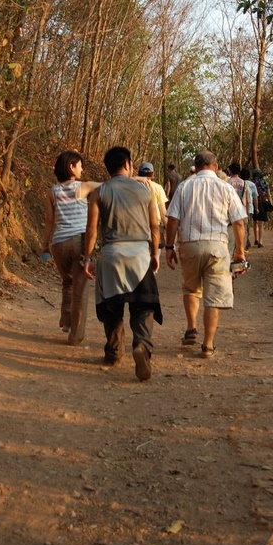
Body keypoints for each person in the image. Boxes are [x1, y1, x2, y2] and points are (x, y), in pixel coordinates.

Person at [82, 146, 161, 382]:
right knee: (143, 306)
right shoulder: (144, 191)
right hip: (139, 254)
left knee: (111, 307)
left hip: (111, 255)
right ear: (128, 164)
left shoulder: (99, 192)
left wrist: (87, 258)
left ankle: (114, 352)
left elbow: (91, 229)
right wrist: (155, 253)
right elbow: (155, 227)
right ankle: (142, 346)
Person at [165, 150, 247, 358]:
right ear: (216, 167)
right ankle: (208, 345)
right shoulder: (225, 188)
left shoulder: (184, 187)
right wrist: (240, 252)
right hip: (217, 247)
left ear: (196, 166)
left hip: (190, 245)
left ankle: (191, 328)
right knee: (214, 297)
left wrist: (168, 247)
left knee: (191, 288)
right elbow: (238, 222)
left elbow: (172, 219)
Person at [41, 151, 102, 345]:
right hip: (79, 241)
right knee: (80, 289)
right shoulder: (83, 187)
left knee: (67, 282)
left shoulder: (52, 192)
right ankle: (75, 335)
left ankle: (66, 320)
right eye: (80, 165)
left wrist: (44, 244)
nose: (82, 168)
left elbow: (49, 221)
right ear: (71, 167)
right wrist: (136, 179)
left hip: (58, 244)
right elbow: (112, 185)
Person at [135, 161, 168, 260]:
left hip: (137, 226)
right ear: (153, 174)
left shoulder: (132, 186)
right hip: (155, 227)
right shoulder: (158, 188)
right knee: (154, 256)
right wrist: (168, 228)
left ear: (139, 173)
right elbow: (163, 212)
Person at [226, 162, 247, 256]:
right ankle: (236, 251)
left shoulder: (227, 182)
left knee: (229, 234)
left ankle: (229, 254)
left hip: (229, 212)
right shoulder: (244, 183)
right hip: (240, 210)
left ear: (230, 171)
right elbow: (246, 198)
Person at [253, 168, 272, 248]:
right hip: (263, 204)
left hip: (254, 203)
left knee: (255, 222)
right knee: (261, 224)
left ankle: (256, 239)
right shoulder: (265, 183)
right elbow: (268, 195)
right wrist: (271, 204)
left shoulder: (252, 183)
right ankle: (260, 241)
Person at [240, 168, 258, 250]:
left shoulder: (239, 183)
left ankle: (242, 242)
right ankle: (246, 242)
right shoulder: (252, 185)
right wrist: (256, 208)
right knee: (247, 226)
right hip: (250, 208)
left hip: (239, 208)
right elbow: (255, 198)